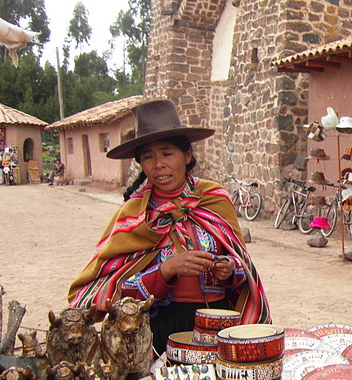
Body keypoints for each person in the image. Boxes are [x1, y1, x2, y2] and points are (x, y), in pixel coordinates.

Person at [68, 99, 270, 354]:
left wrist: (230, 270)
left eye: (167, 153)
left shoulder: (215, 199)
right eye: (148, 157)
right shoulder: (133, 214)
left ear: (187, 155)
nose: (158, 164)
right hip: (158, 328)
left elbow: (242, 266)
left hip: (220, 324)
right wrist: (165, 271)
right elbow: (110, 288)